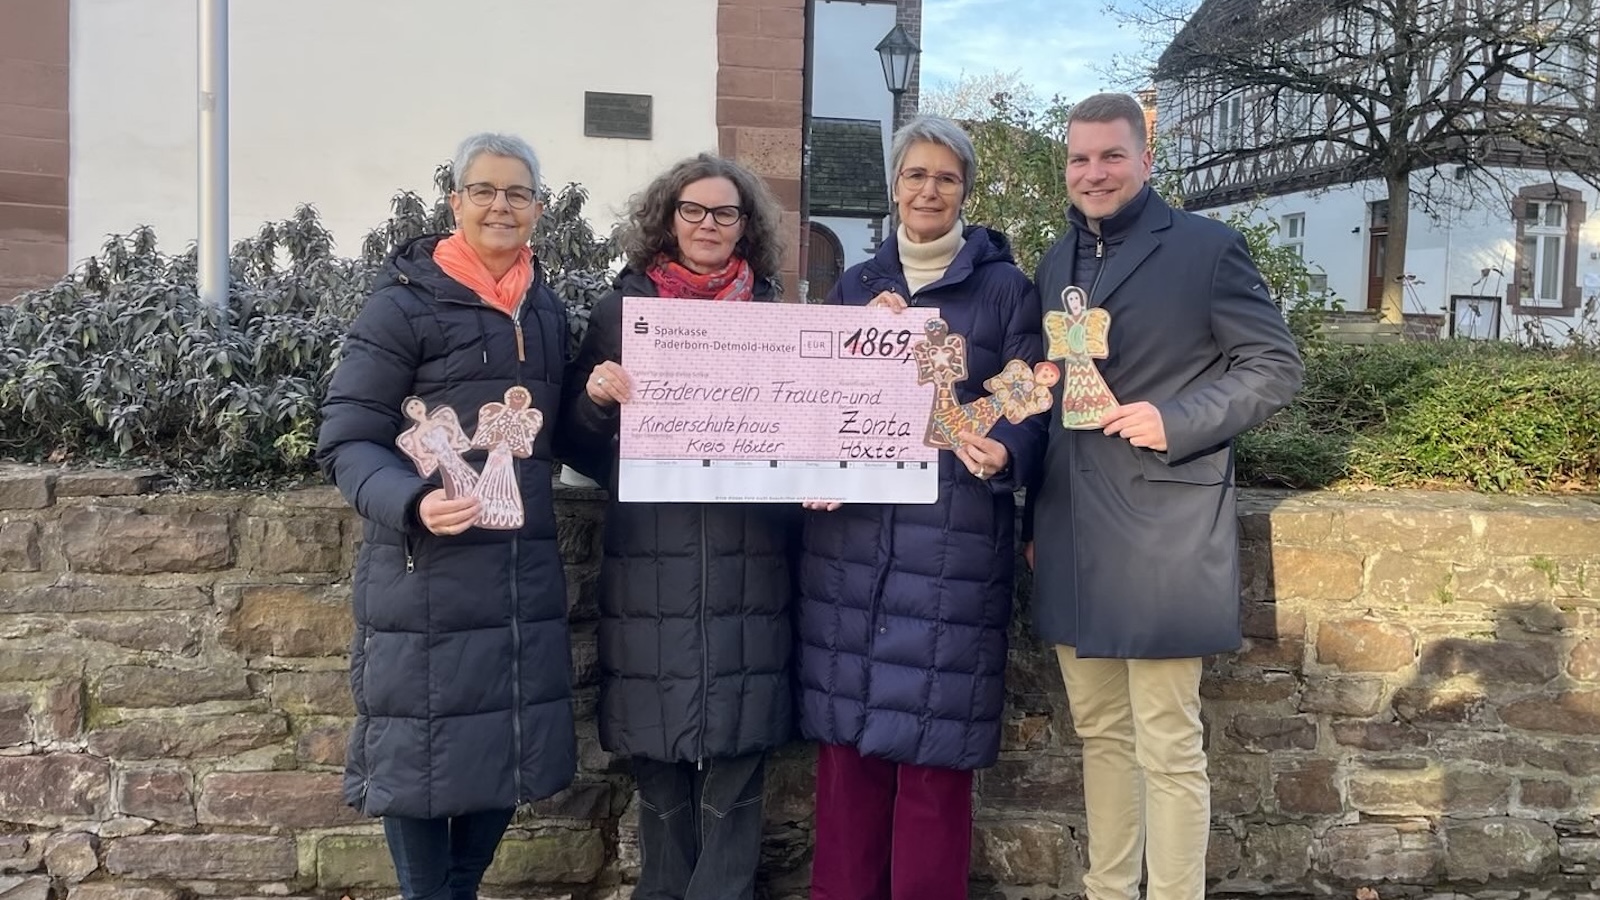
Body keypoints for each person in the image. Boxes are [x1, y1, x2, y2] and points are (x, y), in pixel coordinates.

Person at [1022, 92, 1304, 900]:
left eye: (1112, 155)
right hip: (1073, 529)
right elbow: (1053, 394)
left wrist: (1175, 417)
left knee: (1169, 748)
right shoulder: (1054, 261)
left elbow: (1275, 368)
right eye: (1080, 158)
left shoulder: (1209, 250)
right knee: (1100, 735)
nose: (1094, 172)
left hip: (1164, 531)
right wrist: (1030, 515)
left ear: (1147, 158)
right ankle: (1110, 891)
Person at [316, 132, 576, 900]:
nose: (503, 206)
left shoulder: (548, 310)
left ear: (537, 208)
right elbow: (347, 437)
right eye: (486, 190)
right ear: (455, 200)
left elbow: (564, 438)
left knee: (505, 748)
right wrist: (412, 502)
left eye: (519, 193)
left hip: (516, 570)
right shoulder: (403, 306)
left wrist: (600, 397)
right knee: (419, 760)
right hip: (423, 568)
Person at [796, 115, 1046, 900]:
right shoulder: (858, 286)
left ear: (965, 190)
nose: (929, 189)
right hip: (854, 548)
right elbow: (814, 395)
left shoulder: (1004, 287)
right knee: (848, 759)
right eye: (915, 175)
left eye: (945, 176)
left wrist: (1003, 438)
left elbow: (1031, 381)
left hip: (953, 544)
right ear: (894, 187)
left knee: (935, 761)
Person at [555, 153, 795, 900]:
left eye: (725, 213)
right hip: (649, 562)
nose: (708, 225)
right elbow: (576, 443)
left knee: (739, 749)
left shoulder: (778, 318)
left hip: (749, 560)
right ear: (667, 216)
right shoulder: (618, 312)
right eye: (694, 210)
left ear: (745, 226)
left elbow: (802, 435)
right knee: (658, 757)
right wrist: (595, 400)